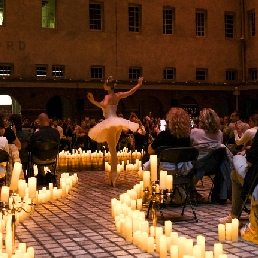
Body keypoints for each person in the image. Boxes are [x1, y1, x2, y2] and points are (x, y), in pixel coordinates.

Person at [87, 76, 143, 187]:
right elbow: (129, 92)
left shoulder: (107, 96)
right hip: (117, 124)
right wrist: (139, 84)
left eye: (104, 84)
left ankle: (114, 175)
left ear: (108, 86)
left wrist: (93, 101)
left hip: (110, 124)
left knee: (112, 151)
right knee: (113, 150)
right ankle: (114, 173)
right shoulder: (117, 96)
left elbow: (103, 105)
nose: (103, 85)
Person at [190, 108, 232, 203]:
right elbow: (218, 151)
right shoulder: (219, 134)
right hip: (215, 167)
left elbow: (190, 147)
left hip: (197, 165)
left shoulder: (195, 132)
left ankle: (190, 189)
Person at [218, 129, 258, 224]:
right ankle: (234, 215)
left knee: (235, 174)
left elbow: (252, 157)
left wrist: (248, 151)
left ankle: (234, 215)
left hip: (256, 182)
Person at [143, 107, 191, 173]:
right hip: (182, 169)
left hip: (164, 169)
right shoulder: (187, 137)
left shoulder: (163, 135)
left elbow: (150, 151)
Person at [30, 113, 60, 184]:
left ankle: (41, 175)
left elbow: (32, 147)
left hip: (39, 159)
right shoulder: (56, 132)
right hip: (52, 157)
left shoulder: (37, 134)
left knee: (35, 153)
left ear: (39, 121)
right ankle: (50, 174)